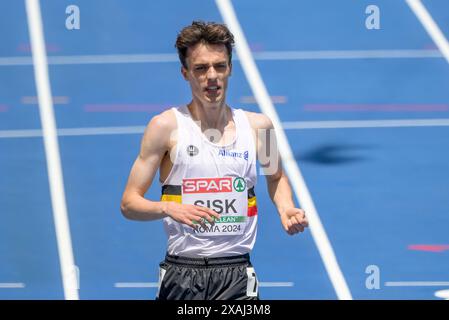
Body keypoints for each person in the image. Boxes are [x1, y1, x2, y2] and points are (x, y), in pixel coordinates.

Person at [120, 21, 308, 300]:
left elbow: (276, 176)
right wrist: (168, 208)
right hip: (183, 273)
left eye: (219, 66)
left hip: (237, 273)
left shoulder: (260, 127)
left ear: (230, 68)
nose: (212, 76)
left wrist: (285, 207)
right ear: (185, 73)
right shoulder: (165, 127)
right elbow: (129, 203)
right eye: (201, 68)